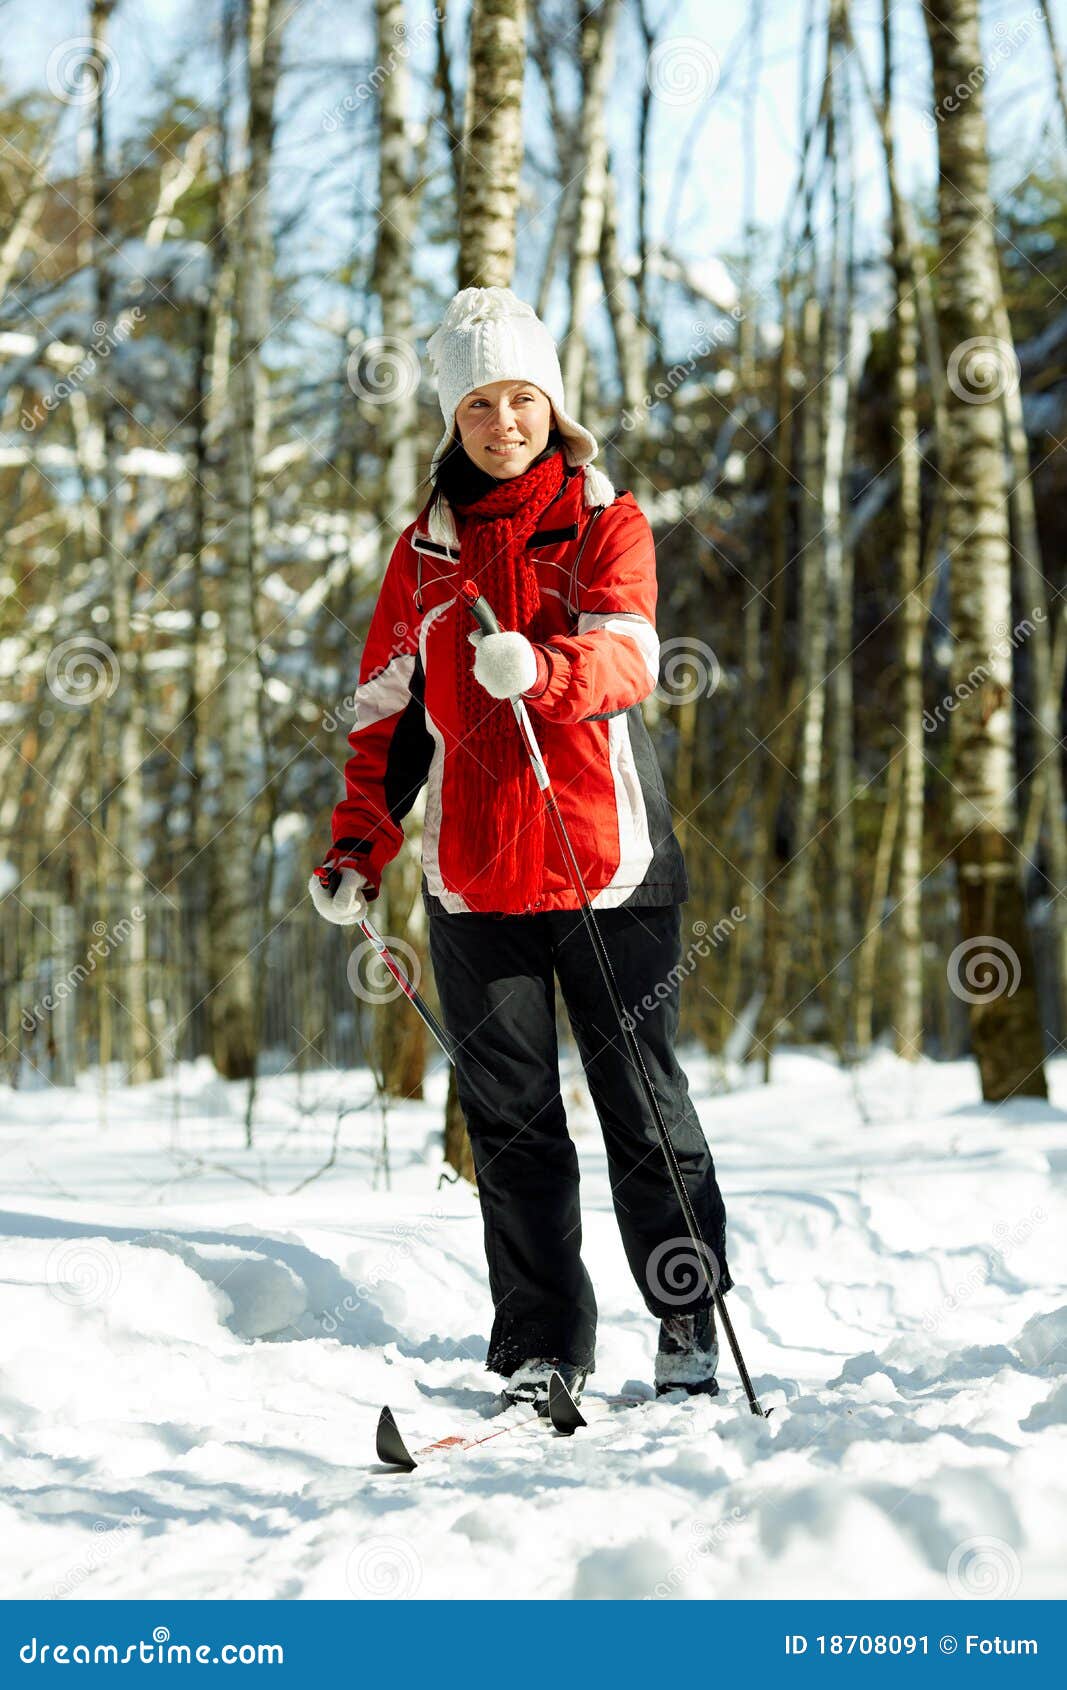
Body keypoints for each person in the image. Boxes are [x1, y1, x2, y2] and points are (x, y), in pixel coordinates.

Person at [310, 285, 732, 1413]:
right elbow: (382, 720)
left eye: (521, 398)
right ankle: (540, 1343)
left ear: (553, 401)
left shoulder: (604, 517)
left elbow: (629, 656)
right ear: (453, 419)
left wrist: (541, 672)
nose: (505, 421)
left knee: (640, 1105)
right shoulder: (423, 557)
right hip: (472, 884)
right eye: (481, 403)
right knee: (509, 1125)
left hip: (609, 870)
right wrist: (358, 845)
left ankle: (685, 1311)